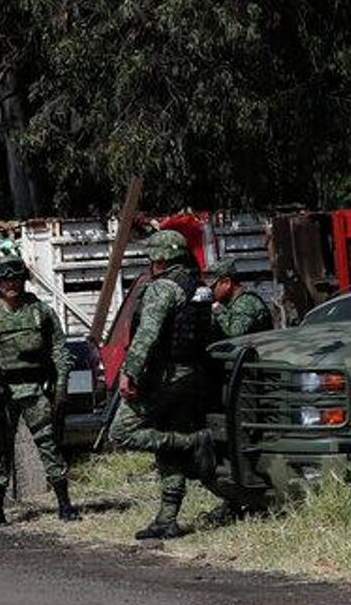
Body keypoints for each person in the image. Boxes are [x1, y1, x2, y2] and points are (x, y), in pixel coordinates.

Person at [107, 229, 219, 541]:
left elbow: (148, 334)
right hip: (191, 377)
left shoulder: (163, 288)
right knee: (166, 446)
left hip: (164, 377)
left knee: (122, 432)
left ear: (160, 258)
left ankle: (193, 442)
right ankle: (167, 519)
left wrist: (130, 372)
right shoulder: (199, 288)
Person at [0, 254, 78, 526]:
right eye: (5, 280)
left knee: (48, 443)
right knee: (0, 447)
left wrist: (61, 386)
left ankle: (64, 504)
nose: (10, 285)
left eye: (15, 279)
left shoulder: (40, 311)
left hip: (34, 389)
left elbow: (60, 351)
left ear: (23, 280)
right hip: (2, 391)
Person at [206, 259, 272, 338]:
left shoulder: (247, 302)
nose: (210, 291)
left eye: (213, 287)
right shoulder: (227, 303)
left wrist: (218, 310)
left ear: (227, 283)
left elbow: (235, 333)